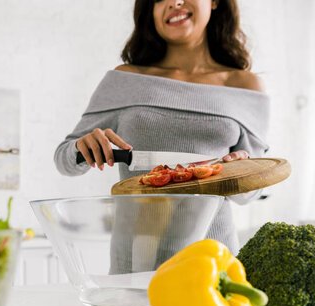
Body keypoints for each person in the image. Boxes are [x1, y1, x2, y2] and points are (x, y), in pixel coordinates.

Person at [54, 0, 269, 258]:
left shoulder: (245, 86)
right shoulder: (125, 80)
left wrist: (240, 173)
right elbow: (64, 160)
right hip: (136, 264)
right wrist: (82, 148)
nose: (173, 2)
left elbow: (251, 193)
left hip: (214, 263)